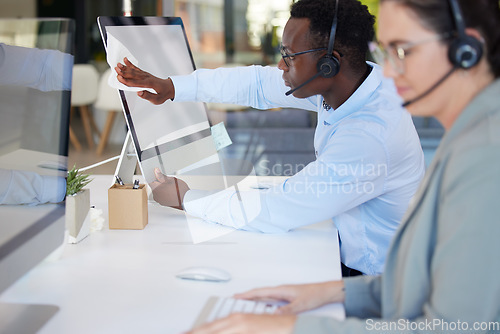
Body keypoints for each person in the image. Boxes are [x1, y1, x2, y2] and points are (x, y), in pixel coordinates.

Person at [183, 0, 500, 333]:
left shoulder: (484, 159)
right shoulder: (470, 133)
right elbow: (422, 281)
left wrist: (289, 328)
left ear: (467, 50)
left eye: (402, 51)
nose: (388, 71)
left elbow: (454, 327)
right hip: (376, 281)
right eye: (384, 52)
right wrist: (330, 292)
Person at [116, 0, 425, 276]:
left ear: (330, 62)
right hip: (337, 243)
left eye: (289, 57)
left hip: (376, 283)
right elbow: (257, 84)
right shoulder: (352, 83)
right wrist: (173, 87)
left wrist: (185, 198)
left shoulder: (370, 138)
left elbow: (275, 210)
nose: (280, 66)